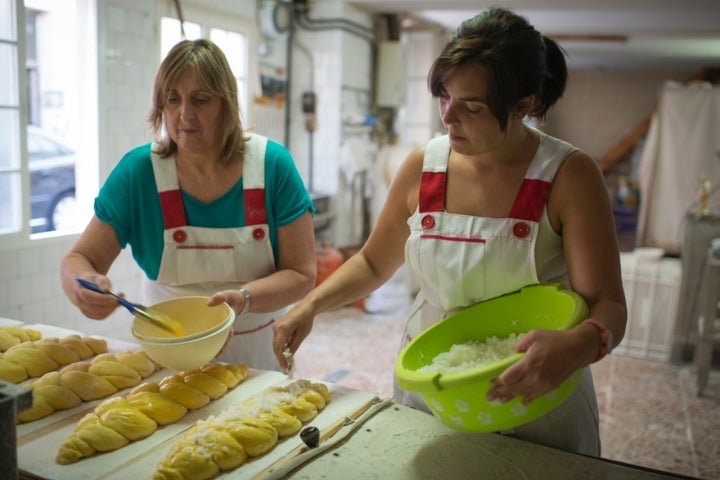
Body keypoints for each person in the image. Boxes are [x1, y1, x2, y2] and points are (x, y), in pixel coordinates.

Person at [273, 7, 626, 456]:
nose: (448, 117)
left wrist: (579, 344)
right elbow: (373, 262)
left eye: (472, 106)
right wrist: (310, 306)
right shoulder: (424, 166)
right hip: (433, 381)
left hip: (535, 387)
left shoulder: (568, 175)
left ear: (522, 106)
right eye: (444, 96)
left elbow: (609, 305)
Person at [61, 39, 317, 371]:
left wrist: (243, 299)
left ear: (226, 104)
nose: (185, 115)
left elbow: (302, 273)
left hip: (256, 358)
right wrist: (81, 286)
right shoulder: (138, 173)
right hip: (168, 358)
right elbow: (79, 259)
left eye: (200, 100)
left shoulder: (271, 166)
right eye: (172, 100)